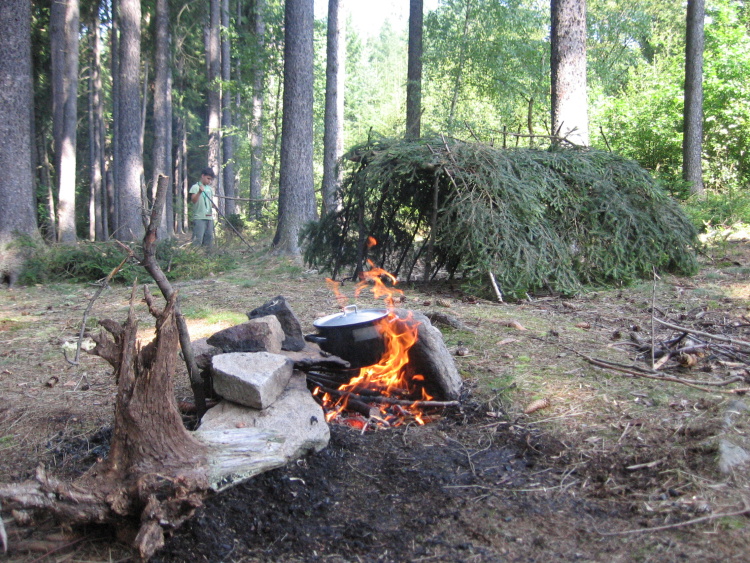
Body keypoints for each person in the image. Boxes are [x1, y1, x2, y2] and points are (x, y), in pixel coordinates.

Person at [189, 167, 216, 247]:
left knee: (209, 240)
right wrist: (199, 192)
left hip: (209, 217)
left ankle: (208, 254)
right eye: (208, 178)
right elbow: (194, 200)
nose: (209, 181)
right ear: (203, 176)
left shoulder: (210, 189)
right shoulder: (195, 187)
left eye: (211, 179)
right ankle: (195, 254)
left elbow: (210, 202)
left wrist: (214, 206)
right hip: (199, 217)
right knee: (198, 240)